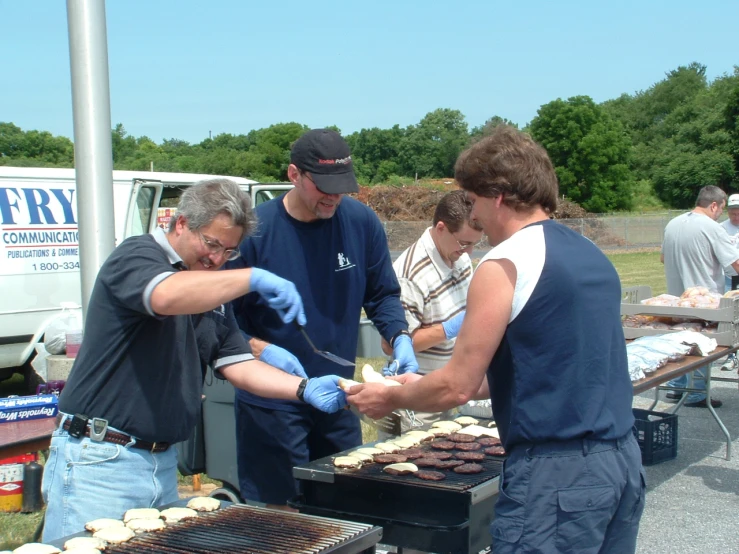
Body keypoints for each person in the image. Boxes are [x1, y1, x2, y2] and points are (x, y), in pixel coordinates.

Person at [347, 125, 645, 554]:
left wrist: (390, 399)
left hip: (553, 477)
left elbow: (458, 386)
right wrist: (415, 387)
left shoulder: (504, 263)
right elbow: (538, 367)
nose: (476, 218)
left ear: (498, 195)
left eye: (473, 200)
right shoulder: (589, 254)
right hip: (620, 462)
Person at [42, 179, 347, 541]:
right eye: (211, 243)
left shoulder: (208, 288)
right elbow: (166, 296)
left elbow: (237, 363)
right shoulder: (137, 255)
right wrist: (251, 277)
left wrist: (303, 388)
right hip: (101, 459)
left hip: (161, 463)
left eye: (229, 251)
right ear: (181, 223)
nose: (217, 259)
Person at [227, 128, 417, 507]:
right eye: (323, 185)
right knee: (281, 522)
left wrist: (400, 336)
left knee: (343, 513)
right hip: (271, 407)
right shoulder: (254, 233)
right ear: (294, 175)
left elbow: (382, 294)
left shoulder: (361, 223)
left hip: (339, 399)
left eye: (342, 186)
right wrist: (262, 349)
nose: (333, 196)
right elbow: (221, 324)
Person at [382, 190, 483, 434]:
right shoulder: (410, 274)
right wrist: (450, 328)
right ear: (441, 228)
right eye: (464, 243)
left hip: (449, 384)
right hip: (417, 397)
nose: (468, 252)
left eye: (474, 244)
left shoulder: (458, 256)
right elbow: (390, 344)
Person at [661, 185, 739, 407]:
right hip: (703, 298)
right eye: (721, 210)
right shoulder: (712, 228)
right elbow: (735, 264)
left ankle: (676, 387)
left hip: (675, 298)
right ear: (713, 205)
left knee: (679, 341)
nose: (720, 215)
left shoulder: (672, 224)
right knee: (702, 344)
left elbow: (663, 258)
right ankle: (696, 394)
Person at [719, 193, 739, 372]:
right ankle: (730, 356)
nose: (736, 216)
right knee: (728, 318)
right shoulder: (721, 228)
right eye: (733, 212)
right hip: (727, 278)